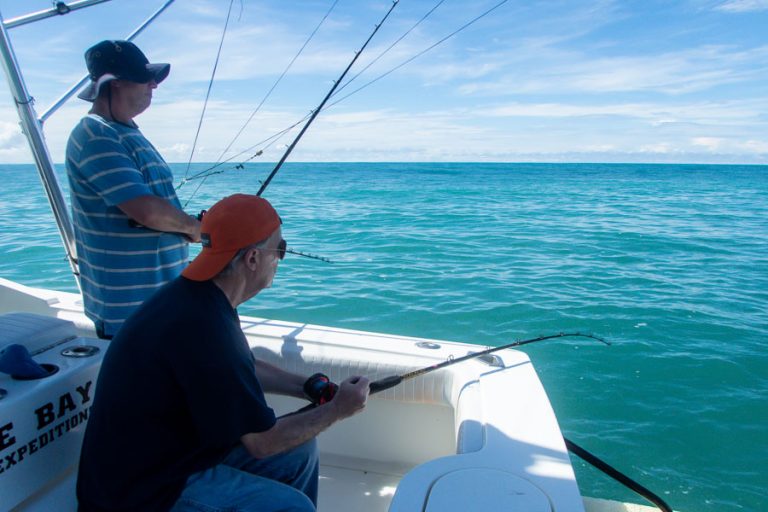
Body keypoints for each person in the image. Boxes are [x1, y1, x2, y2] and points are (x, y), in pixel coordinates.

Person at [76, 194, 370, 512]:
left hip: (178, 454)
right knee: (289, 506)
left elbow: (243, 367)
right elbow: (262, 442)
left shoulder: (201, 297)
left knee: (299, 453)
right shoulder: (203, 326)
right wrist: (339, 409)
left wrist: (308, 386)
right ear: (253, 259)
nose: (281, 260)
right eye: (280, 250)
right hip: (141, 491)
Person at [65, 40, 201, 339]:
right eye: (144, 78)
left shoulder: (125, 132)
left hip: (158, 301)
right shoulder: (95, 133)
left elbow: (154, 203)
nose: (153, 84)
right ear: (114, 84)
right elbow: (146, 210)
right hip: (131, 313)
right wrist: (194, 228)